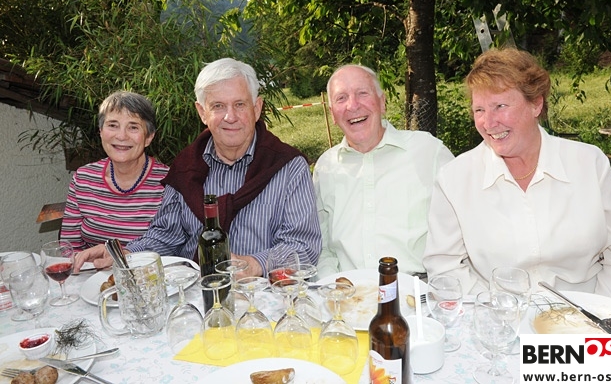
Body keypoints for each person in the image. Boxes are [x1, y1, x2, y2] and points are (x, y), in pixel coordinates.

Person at [424, 48, 611, 304]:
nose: (489, 123)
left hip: (586, 314)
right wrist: (494, 313)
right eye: (479, 110)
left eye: (500, 106)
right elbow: (445, 267)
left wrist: (600, 312)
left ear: (536, 104)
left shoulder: (589, 164)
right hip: (497, 318)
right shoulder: (455, 179)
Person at [74, 58, 322, 277]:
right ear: (202, 112)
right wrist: (126, 254)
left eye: (239, 104)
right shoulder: (186, 166)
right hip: (197, 294)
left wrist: (255, 264)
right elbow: (166, 234)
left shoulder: (289, 167)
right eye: (218, 106)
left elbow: (303, 247)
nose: (230, 117)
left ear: (257, 109)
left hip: (265, 295)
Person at [313, 64, 454, 278]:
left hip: (420, 289)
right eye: (341, 98)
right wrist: (331, 284)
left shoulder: (428, 151)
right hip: (348, 292)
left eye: (362, 93)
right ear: (332, 114)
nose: (353, 105)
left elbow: (463, 228)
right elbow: (321, 246)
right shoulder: (326, 167)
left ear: (382, 102)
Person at [60, 91, 169, 250]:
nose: (122, 136)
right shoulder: (84, 179)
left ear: (149, 137)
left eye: (133, 127)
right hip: (91, 266)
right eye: (113, 125)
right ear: (100, 131)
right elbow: (69, 246)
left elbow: (170, 245)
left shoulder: (169, 182)